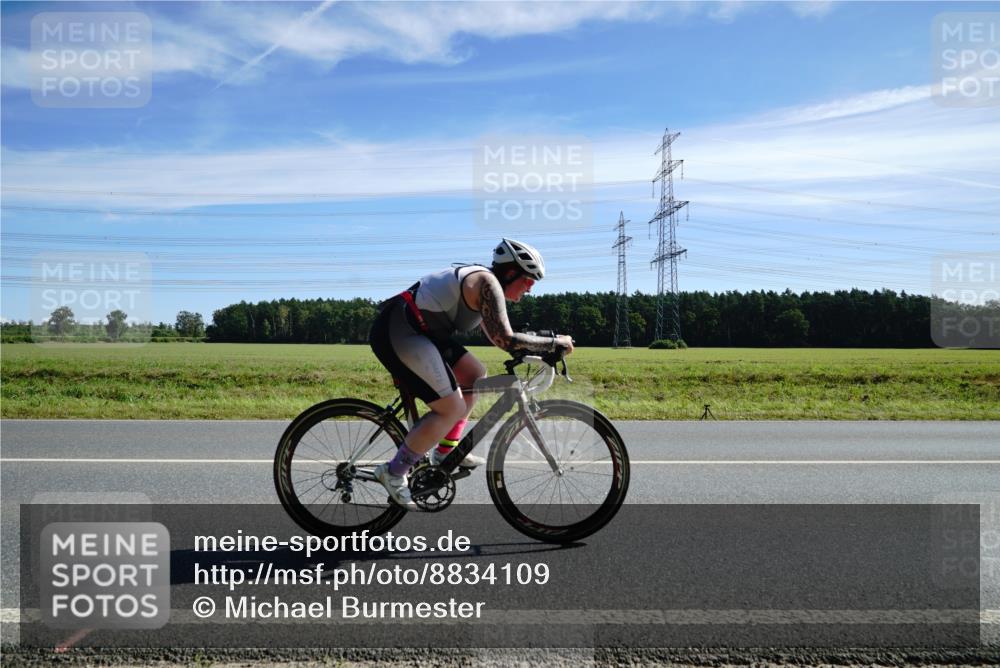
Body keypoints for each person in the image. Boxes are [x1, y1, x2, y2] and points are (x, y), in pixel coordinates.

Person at [368, 238, 574, 509]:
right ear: (511, 273)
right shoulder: (486, 283)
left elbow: (501, 338)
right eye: (528, 280)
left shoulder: (487, 285)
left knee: (474, 376)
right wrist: (553, 343)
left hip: (423, 333)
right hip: (400, 330)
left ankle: (445, 452)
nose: (531, 287)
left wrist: (541, 346)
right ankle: (394, 471)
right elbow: (506, 339)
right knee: (450, 408)